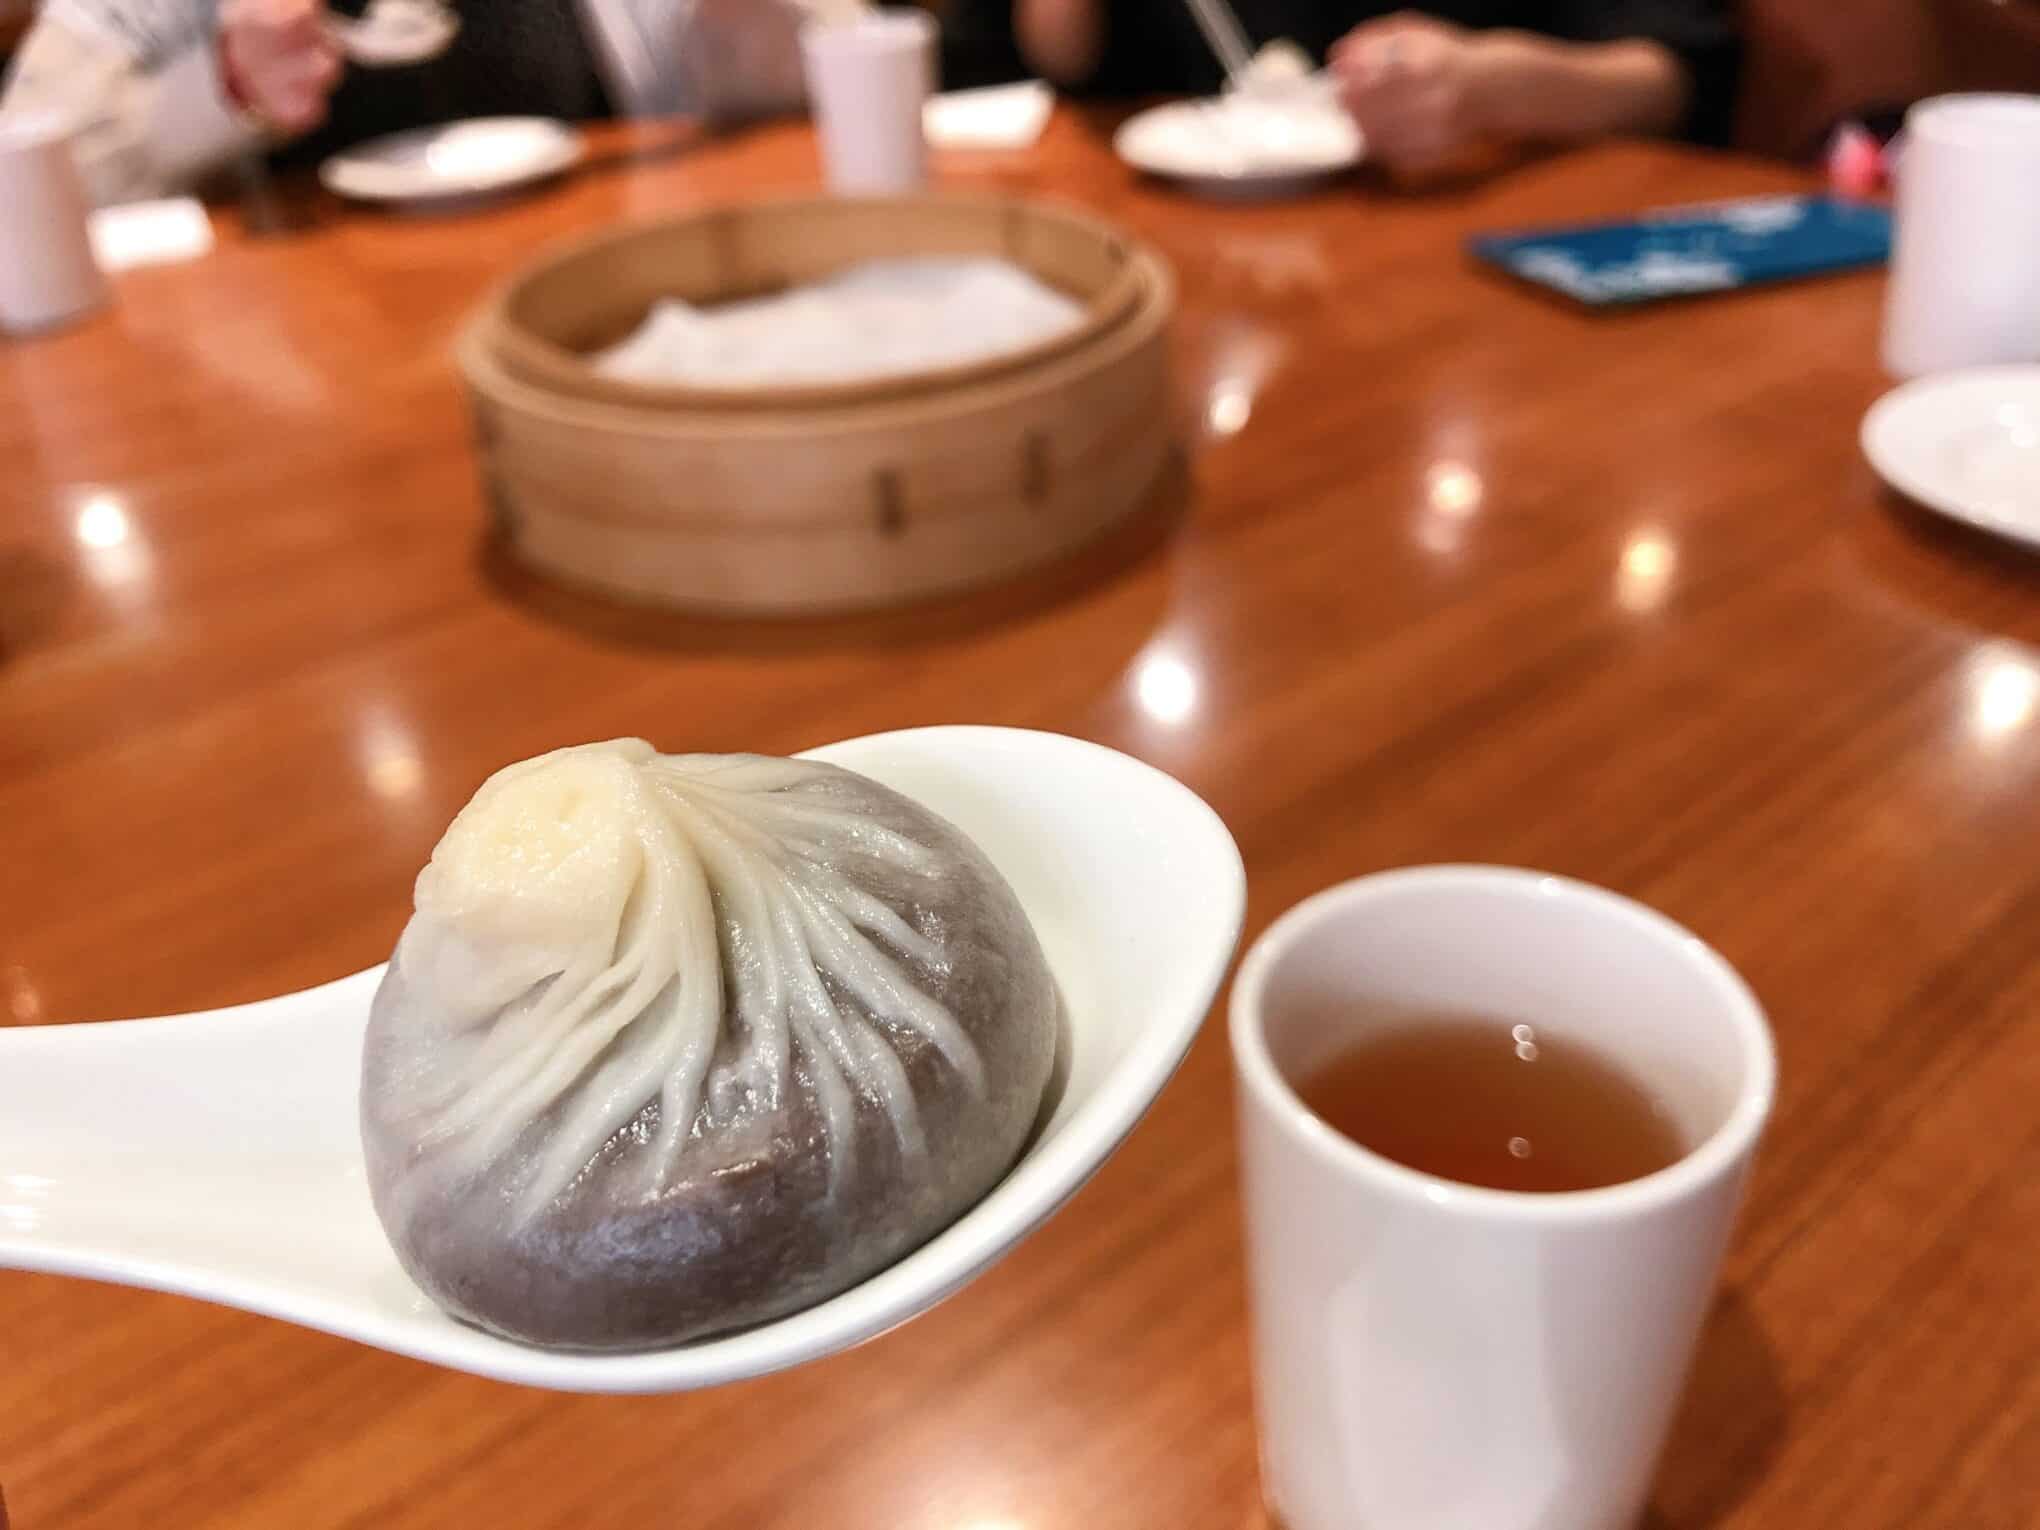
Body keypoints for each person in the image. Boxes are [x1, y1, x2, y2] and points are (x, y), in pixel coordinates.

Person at [0, 0, 820, 205]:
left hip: (592, 299)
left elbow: (799, 102)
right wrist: (221, 90)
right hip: (291, 375)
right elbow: (25, 188)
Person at [942, 2, 1740, 172]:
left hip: (1477, 275)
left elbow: (1676, 79)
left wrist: (1496, 85)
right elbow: (1058, 62)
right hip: (1197, 290)